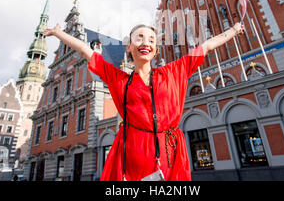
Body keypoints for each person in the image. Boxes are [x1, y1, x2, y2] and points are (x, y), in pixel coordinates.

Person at [44, 21, 244, 181]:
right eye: (139, 38)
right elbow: (86, 51)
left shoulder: (174, 71)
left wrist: (234, 29)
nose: (146, 42)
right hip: (131, 153)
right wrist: (58, 33)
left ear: (155, 49)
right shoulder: (118, 78)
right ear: (129, 47)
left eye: (151, 39)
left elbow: (207, 45)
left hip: (169, 153)